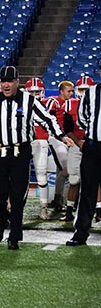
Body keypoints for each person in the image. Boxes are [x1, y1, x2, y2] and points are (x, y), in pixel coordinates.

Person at [0, 66, 73, 250]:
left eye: (10, 81)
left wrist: (61, 135)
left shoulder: (29, 100)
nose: (6, 84)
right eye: (3, 81)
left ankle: (14, 236)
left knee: (17, 195)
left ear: (17, 82)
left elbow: (48, 119)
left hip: (20, 152)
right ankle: (1, 221)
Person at [66, 76, 101, 246]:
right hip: (93, 147)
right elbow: (81, 119)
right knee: (87, 191)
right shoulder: (91, 93)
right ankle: (81, 233)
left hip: (93, 145)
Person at [61, 76, 95, 221]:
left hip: (93, 145)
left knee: (95, 180)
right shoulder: (70, 105)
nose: (83, 92)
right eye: (81, 89)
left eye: (86, 90)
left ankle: (98, 212)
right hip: (76, 144)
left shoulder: (97, 104)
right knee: (74, 179)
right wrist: (79, 142)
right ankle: (69, 210)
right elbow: (67, 129)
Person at [23, 77, 52, 220]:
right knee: (21, 176)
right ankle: (17, 206)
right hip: (26, 142)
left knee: (41, 175)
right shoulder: (21, 104)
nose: (35, 95)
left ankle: (43, 207)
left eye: (37, 92)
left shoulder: (48, 103)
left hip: (41, 141)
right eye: (32, 92)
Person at [47, 80, 74, 212]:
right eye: (69, 91)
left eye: (72, 91)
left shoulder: (71, 103)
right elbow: (48, 118)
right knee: (65, 170)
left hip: (66, 138)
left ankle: (57, 199)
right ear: (61, 91)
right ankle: (58, 199)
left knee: (60, 170)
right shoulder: (54, 101)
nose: (71, 93)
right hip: (55, 138)